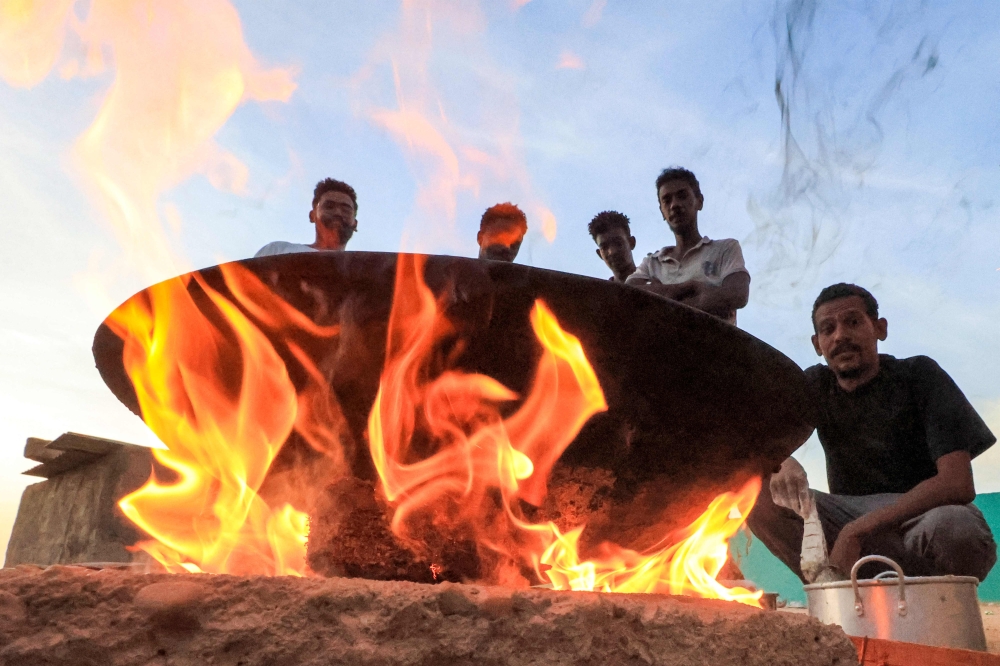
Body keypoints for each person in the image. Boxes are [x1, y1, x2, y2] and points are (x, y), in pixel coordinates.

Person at [747, 283, 997, 582]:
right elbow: (753, 434)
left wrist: (856, 531)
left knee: (955, 527)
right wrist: (781, 458)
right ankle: (833, 591)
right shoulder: (815, 386)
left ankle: (934, 601)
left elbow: (957, 484)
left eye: (853, 322)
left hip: (923, 519)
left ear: (880, 328)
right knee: (755, 493)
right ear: (817, 344)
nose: (840, 335)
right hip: (846, 519)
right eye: (828, 329)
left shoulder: (919, 375)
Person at [625, 167, 749, 324]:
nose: (674, 205)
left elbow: (737, 294)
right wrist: (692, 289)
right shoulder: (652, 263)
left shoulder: (724, 249)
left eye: (682, 196)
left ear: (699, 201)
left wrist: (659, 296)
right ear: (662, 211)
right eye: (667, 200)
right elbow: (627, 293)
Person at [255, 178, 359, 257]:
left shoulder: (362, 268)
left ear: (355, 224)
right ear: (312, 216)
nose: (337, 213)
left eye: (346, 210)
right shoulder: (277, 251)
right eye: (329, 206)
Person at [588, 210, 637, 283]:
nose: (612, 252)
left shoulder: (655, 281)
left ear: (631, 243)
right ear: (599, 254)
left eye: (618, 243)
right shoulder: (599, 290)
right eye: (604, 247)